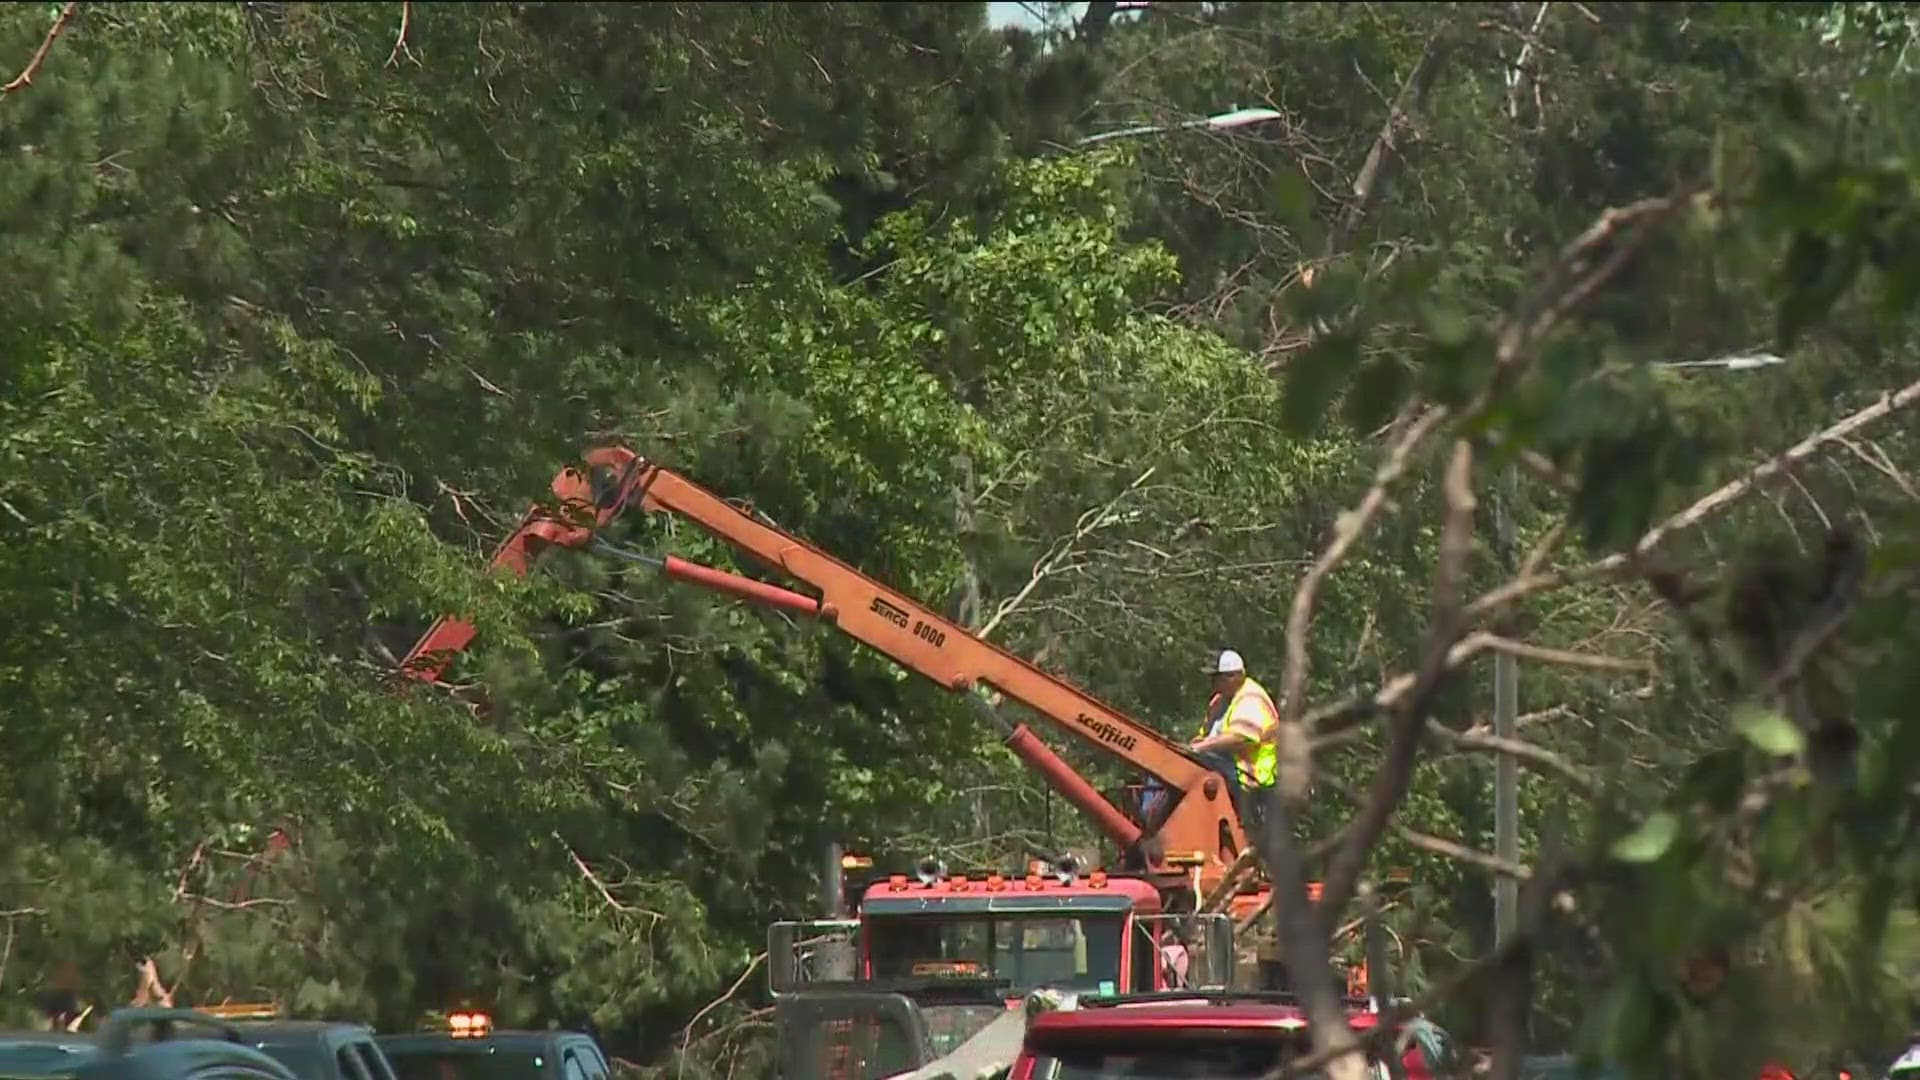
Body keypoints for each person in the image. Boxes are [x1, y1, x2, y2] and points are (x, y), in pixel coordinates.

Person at [1188, 649, 1279, 835]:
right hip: (1229, 765)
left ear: (1233, 676)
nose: (1213, 683)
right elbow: (1204, 734)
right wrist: (1191, 746)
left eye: (1217, 678)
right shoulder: (1220, 701)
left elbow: (1241, 736)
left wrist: (1198, 748)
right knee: (1169, 761)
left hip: (1249, 775)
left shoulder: (1251, 698)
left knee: (1188, 763)